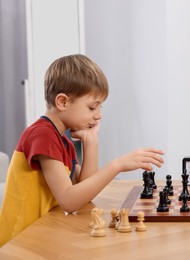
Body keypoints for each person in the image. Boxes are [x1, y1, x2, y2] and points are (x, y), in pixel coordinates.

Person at [0, 54, 165, 246]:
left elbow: (84, 194)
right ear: (62, 102)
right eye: (92, 107)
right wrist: (116, 165)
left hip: (42, 233)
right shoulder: (42, 135)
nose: (99, 115)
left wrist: (91, 142)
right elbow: (69, 202)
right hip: (19, 242)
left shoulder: (62, 140)